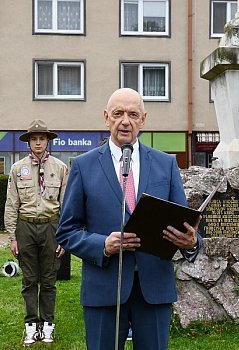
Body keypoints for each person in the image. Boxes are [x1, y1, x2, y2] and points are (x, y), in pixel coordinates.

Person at [56, 88, 203, 350]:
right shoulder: (84, 165)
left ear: (143, 120)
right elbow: (66, 231)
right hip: (104, 289)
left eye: (133, 114)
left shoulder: (165, 164)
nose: (126, 121)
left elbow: (185, 223)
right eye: (118, 113)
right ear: (106, 118)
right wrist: (103, 245)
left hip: (154, 288)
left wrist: (191, 242)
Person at [4, 119, 69, 346]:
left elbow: (66, 206)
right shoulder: (16, 169)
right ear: (29, 142)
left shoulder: (60, 168)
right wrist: (12, 237)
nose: (38, 142)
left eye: (42, 138)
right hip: (26, 227)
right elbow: (11, 204)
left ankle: (47, 325)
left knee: (49, 280)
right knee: (29, 280)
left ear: (48, 141)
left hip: (51, 226)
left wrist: (64, 237)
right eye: (34, 139)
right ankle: (31, 326)